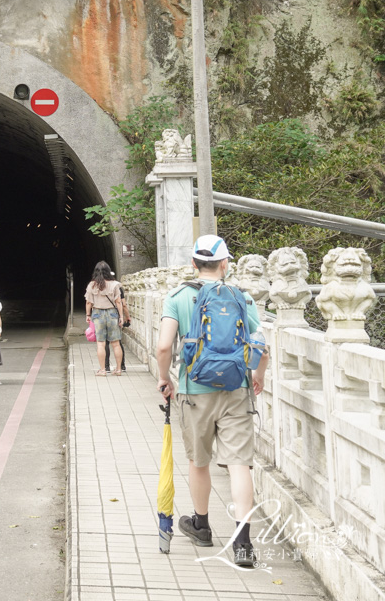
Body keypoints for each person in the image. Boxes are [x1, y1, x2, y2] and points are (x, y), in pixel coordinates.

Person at [156, 235, 269, 569]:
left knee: (199, 461)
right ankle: (244, 543)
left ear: (193, 263)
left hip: (194, 389)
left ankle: (202, 525)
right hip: (236, 388)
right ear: (225, 264)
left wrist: (165, 379)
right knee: (238, 463)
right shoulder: (242, 297)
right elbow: (260, 343)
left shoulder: (177, 296)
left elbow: (164, 347)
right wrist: (257, 375)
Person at [84, 261, 124, 376]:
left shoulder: (92, 285)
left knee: (100, 344)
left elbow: (88, 302)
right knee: (116, 343)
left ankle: (102, 370)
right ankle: (118, 369)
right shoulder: (115, 284)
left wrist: (88, 315)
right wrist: (121, 317)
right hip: (112, 313)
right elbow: (118, 302)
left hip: (97, 314)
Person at [105, 285, 130, 374]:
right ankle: (121, 366)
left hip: (101, 317)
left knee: (105, 342)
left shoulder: (97, 286)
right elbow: (123, 304)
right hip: (114, 316)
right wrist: (127, 316)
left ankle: (106, 367)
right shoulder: (117, 288)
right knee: (117, 342)